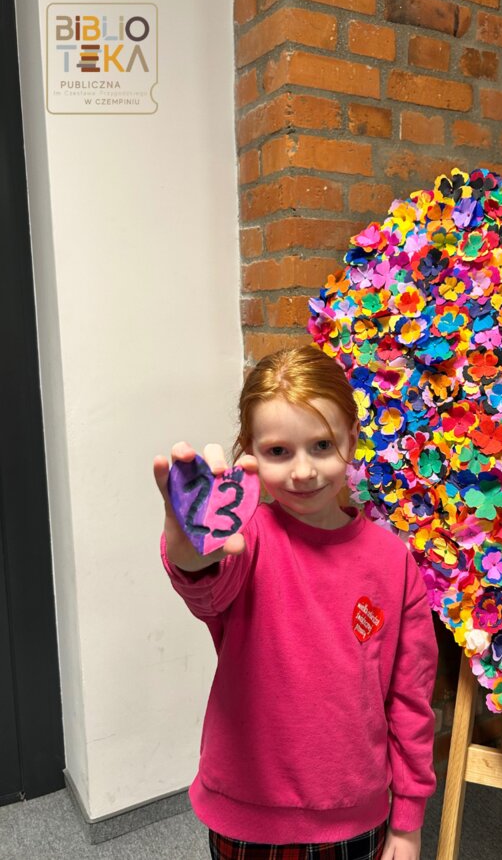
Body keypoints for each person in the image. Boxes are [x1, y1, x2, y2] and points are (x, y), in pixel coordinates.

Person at [153, 345, 438, 860]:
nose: (303, 471)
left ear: (352, 439)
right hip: (246, 816)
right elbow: (206, 584)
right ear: (250, 454)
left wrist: (408, 820)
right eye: (279, 451)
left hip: (355, 817)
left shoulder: (393, 561)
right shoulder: (245, 539)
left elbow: (411, 699)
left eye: (322, 445)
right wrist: (191, 550)